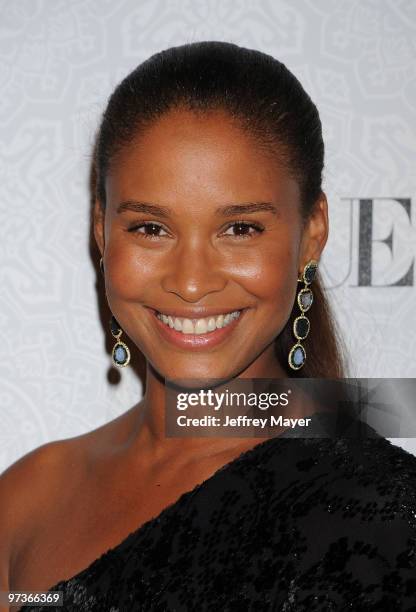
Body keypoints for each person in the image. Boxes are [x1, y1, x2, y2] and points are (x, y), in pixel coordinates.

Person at [1, 41, 415, 611]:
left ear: (311, 233)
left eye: (240, 229)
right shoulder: (29, 496)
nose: (191, 283)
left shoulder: (385, 514)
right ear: (101, 230)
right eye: (150, 228)